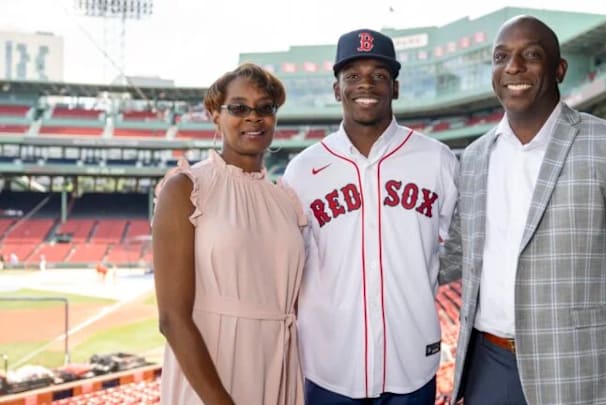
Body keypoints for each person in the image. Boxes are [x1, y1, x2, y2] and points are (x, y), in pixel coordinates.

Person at [441, 16, 606, 405]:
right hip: (487, 364)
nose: (513, 67)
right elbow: (458, 254)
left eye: (530, 54)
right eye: (501, 57)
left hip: (577, 373)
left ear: (559, 69)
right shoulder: (476, 156)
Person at [282, 28, 458, 404]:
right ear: (336, 90)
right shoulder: (302, 169)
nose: (367, 85)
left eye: (379, 75)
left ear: (395, 88)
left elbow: (462, 244)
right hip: (329, 366)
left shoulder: (436, 158)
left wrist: (419, 272)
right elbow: (289, 263)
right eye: (353, 76)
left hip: (411, 359)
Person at [152, 63, 306, 405]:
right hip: (210, 376)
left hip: (278, 365)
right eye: (238, 108)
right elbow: (172, 318)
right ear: (214, 114)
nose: (254, 117)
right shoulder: (185, 188)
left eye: (265, 108)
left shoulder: (286, 200)